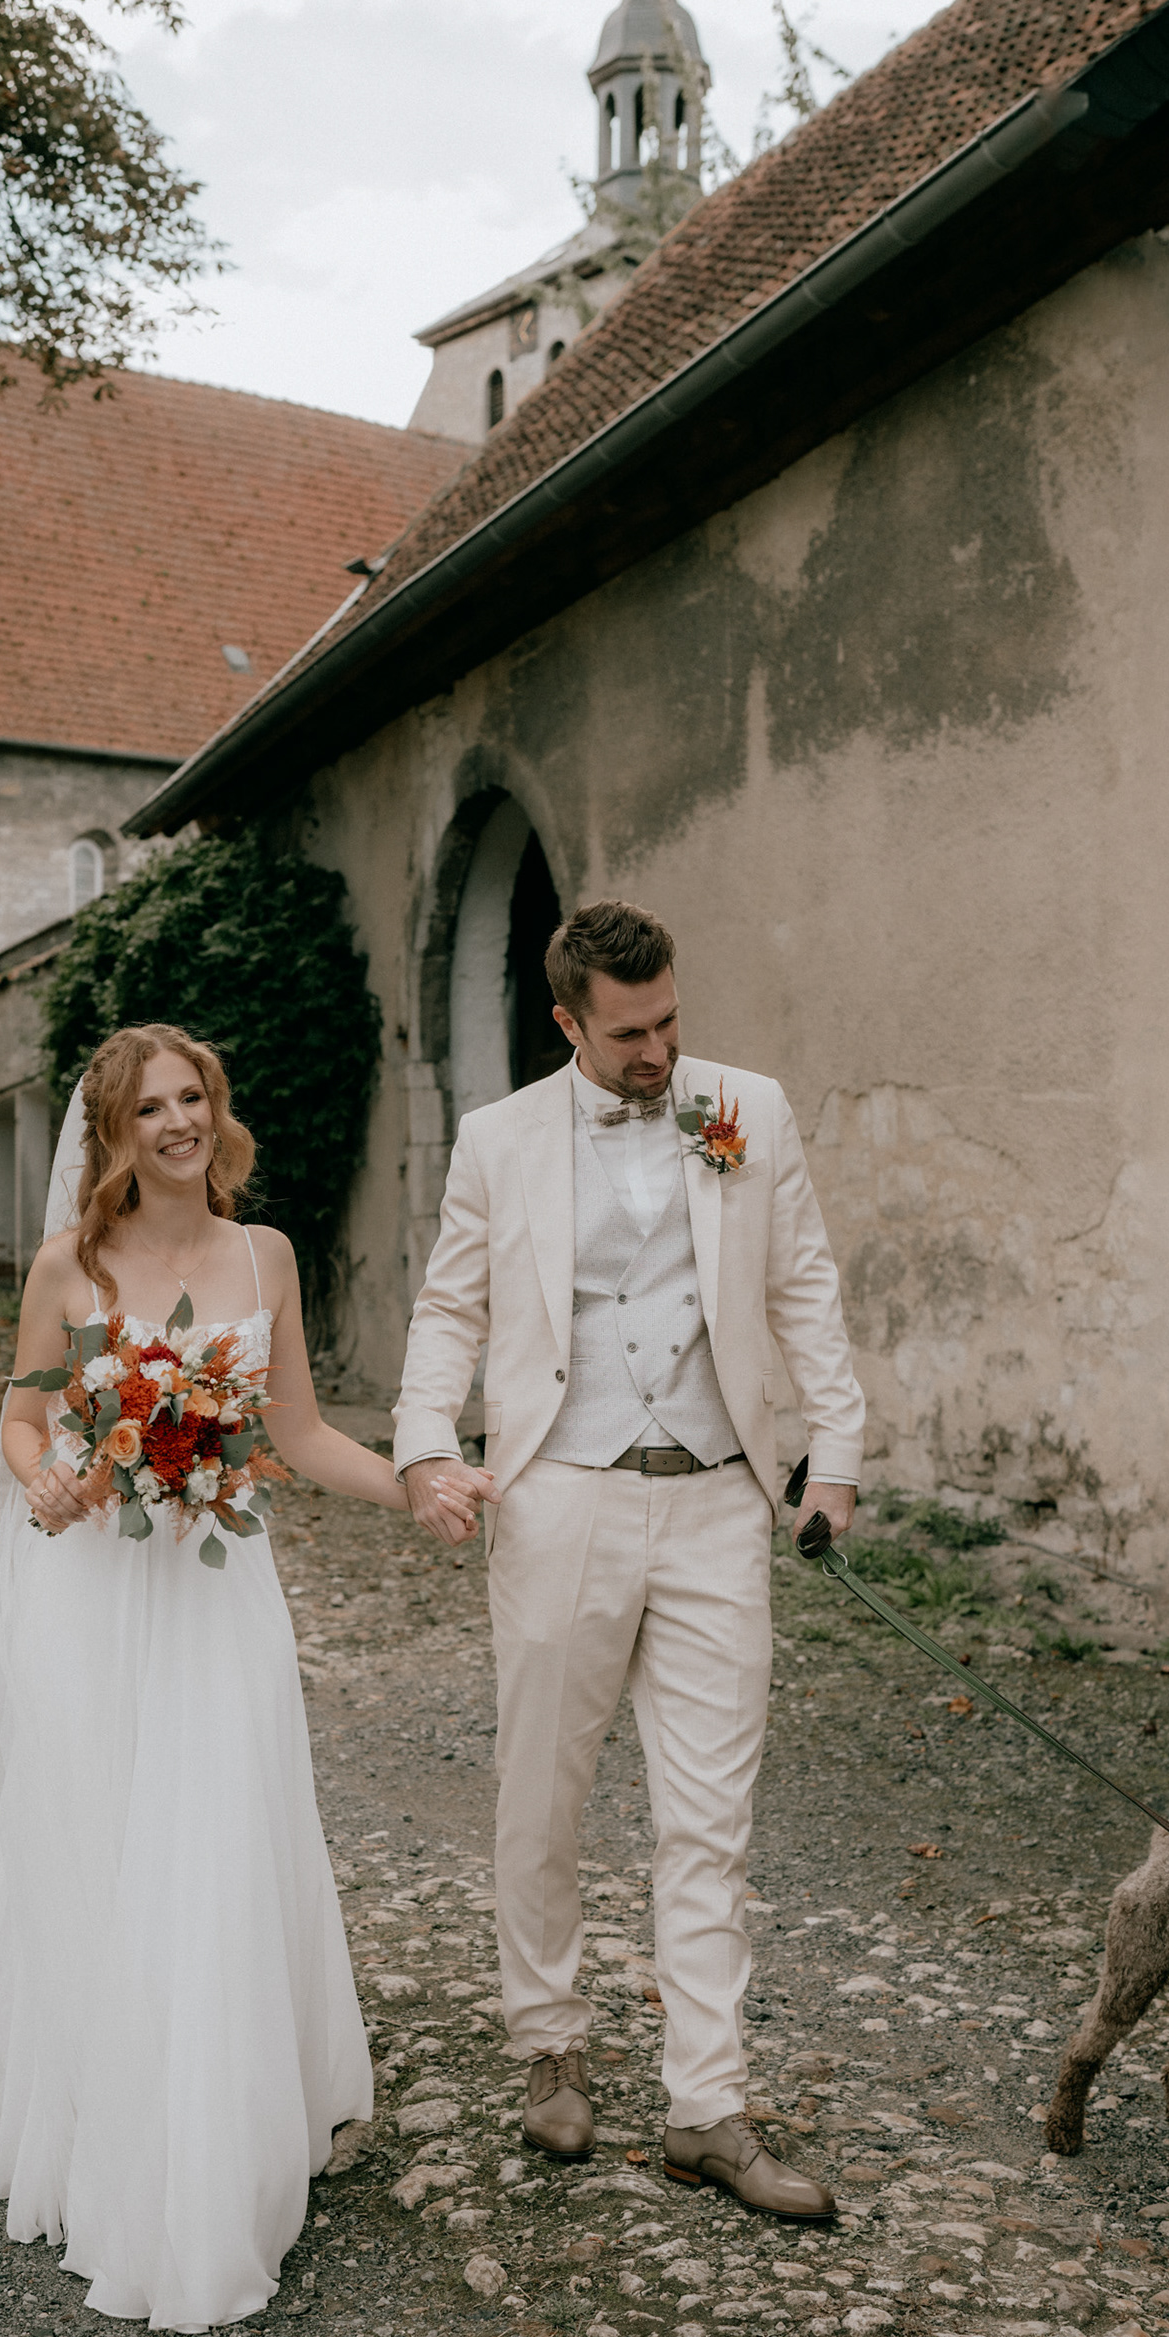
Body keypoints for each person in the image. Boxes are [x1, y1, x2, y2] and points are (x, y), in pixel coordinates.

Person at [0, 1023, 487, 2329]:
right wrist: (47, 1473)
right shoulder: (73, 1266)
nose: (177, 1122)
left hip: (219, 1597)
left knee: (220, 1836)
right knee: (115, 1837)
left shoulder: (263, 1255)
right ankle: (115, 2109)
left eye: (192, 1099)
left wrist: (413, 1483)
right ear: (112, 1135)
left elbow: (292, 1430)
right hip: (97, 1596)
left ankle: (219, 2123)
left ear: (214, 1111)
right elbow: (21, 1415)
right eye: (149, 1108)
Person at [396, 903, 864, 2222]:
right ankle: (548, 2035)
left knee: (709, 1818)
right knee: (541, 1792)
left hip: (721, 1501)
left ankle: (706, 2108)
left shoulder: (749, 1111)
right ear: (569, 1024)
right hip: (562, 1496)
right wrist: (429, 1448)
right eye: (630, 1033)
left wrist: (835, 1460)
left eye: (669, 1022)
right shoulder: (498, 1142)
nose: (660, 1050)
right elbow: (451, 1306)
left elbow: (804, 1285)